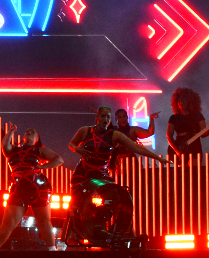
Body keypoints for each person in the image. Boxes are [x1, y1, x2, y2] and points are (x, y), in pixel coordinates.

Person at [62, 106, 168, 247]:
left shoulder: (114, 135)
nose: (105, 120)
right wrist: (77, 148)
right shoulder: (85, 131)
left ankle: (123, 235)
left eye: (108, 117)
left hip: (101, 174)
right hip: (83, 172)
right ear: (97, 118)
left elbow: (136, 147)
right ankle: (70, 237)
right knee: (75, 204)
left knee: (118, 201)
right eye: (103, 116)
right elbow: (71, 144)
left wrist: (158, 158)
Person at [0, 124, 63, 251]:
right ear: (23, 136)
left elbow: (59, 160)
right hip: (19, 188)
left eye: (33, 132)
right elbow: (4, 145)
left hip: (38, 188)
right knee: (8, 223)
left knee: (44, 223)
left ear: (37, 139)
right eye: (27, 131)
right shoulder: (13, 150)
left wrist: (42, 167)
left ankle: (53, 250)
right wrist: (11, 131)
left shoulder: (39, 150)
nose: (29, 132)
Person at [166, 87, 209, 157]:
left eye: (184, 99)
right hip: (180, 147)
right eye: (179, 99)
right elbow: (169, 136)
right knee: (182, 168)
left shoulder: (198, 115)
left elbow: (203, 134)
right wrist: (177, 150)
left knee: (195, 168)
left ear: (190, 100)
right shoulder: (173, 118)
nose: (181, 101)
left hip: (195, 147)